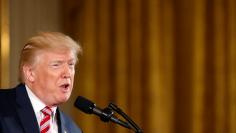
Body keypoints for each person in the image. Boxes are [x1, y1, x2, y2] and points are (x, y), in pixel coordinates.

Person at [0, 32, 83, 133]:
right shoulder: (3, 106)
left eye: (71, 64)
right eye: (56, 65)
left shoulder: (73, 129)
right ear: (30, 73)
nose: (67, 73)